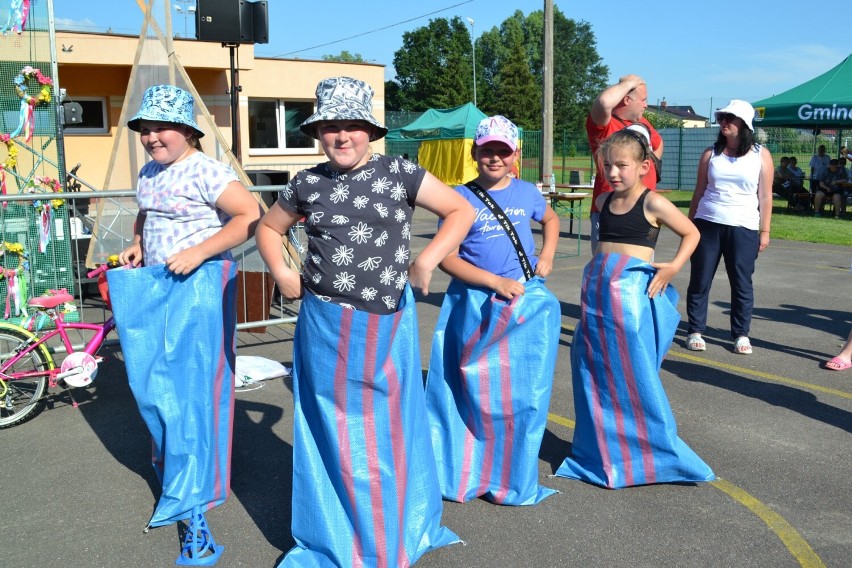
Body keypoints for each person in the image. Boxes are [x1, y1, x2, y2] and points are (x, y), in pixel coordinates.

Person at [255, 77, 474, 567]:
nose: (341, 136)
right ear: (318, 132)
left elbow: (460, 210)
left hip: (385, 326)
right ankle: (339, 529)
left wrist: (428, 259)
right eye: (331, 126)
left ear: (370, 130)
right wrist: (280, 268)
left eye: (351, 125)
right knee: (333, 429)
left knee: (383, 428)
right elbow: (268, 227)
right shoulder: (306, 183)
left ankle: (385, 526)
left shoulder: (399, 172)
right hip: (324, 324)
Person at [108, 84, 263, 565]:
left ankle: (196, 490)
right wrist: (137, 243)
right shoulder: (150, 171)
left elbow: (249, 216)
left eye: (161, 128)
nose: (152, 137)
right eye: (145, 129)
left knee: (192, 388)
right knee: (157, 383)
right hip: (157, 287)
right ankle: (177, 467)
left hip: (197, 290)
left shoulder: (205, 170)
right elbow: (145, 213)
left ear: (188, 131)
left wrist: (198, 252)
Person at [555, 128, 713, 489]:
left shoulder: (653, 202)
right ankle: (600, 450)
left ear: (643, 166)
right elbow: (601, 248)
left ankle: (652, 452)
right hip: (597, 298)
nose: (613, 173)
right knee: (593, 376)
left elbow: (692, 233)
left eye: (621, 166)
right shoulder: (603, 203)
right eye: (607, 165)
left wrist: (672, 267)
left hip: (628, 303)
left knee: (633, 376)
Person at [424, 115, 561, 505]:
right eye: (488, 150)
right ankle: (468, 468)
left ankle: (510, 472)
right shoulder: (457, 198)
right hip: (475, 302)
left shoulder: (527, 192)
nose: (495, 158)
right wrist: (493, 282)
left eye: (504, 150)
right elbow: (447, 257)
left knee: (519, 391)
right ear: (475, 152)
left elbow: (549, 220)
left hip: (522, 305)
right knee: (472, 388)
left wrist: (547, 256)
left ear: (516, 154)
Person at [685, 100, 773, 355]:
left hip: (744, 227)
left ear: (744, 124)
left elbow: (765, 196)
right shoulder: (710, 154)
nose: (723, 122)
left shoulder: (761, 155)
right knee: (700, 279)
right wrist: (689, 227)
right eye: (722, 117)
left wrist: (764, 231)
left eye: (729, 118)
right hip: (707, 224)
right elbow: (699, 191)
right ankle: (695, 329)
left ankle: (741, 334)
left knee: (742, 283)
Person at [586, 74, 663, 252]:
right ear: (626, 99)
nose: (645, 105)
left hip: (644, 209)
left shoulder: (643, 123)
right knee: (607, 266)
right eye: (643, 100)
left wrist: (648, 167)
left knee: (641, 265)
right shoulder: (605, 124)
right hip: (611, 209)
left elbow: (659, 143)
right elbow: (604, 102)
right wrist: (630, 83)